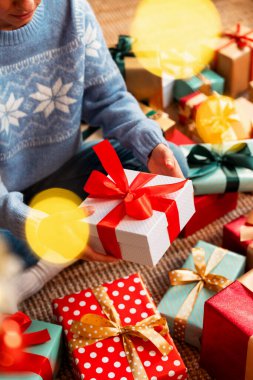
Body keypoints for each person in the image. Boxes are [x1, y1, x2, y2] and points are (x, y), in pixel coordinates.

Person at [0, 0, 188, 306]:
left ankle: (62, 243)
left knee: (172, 162)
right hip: (4, 210)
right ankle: (55, 255)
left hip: (64, 172)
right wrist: (31, 222)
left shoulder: (70, 10)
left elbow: (108, 97)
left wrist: (151, 146)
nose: (27, 3)